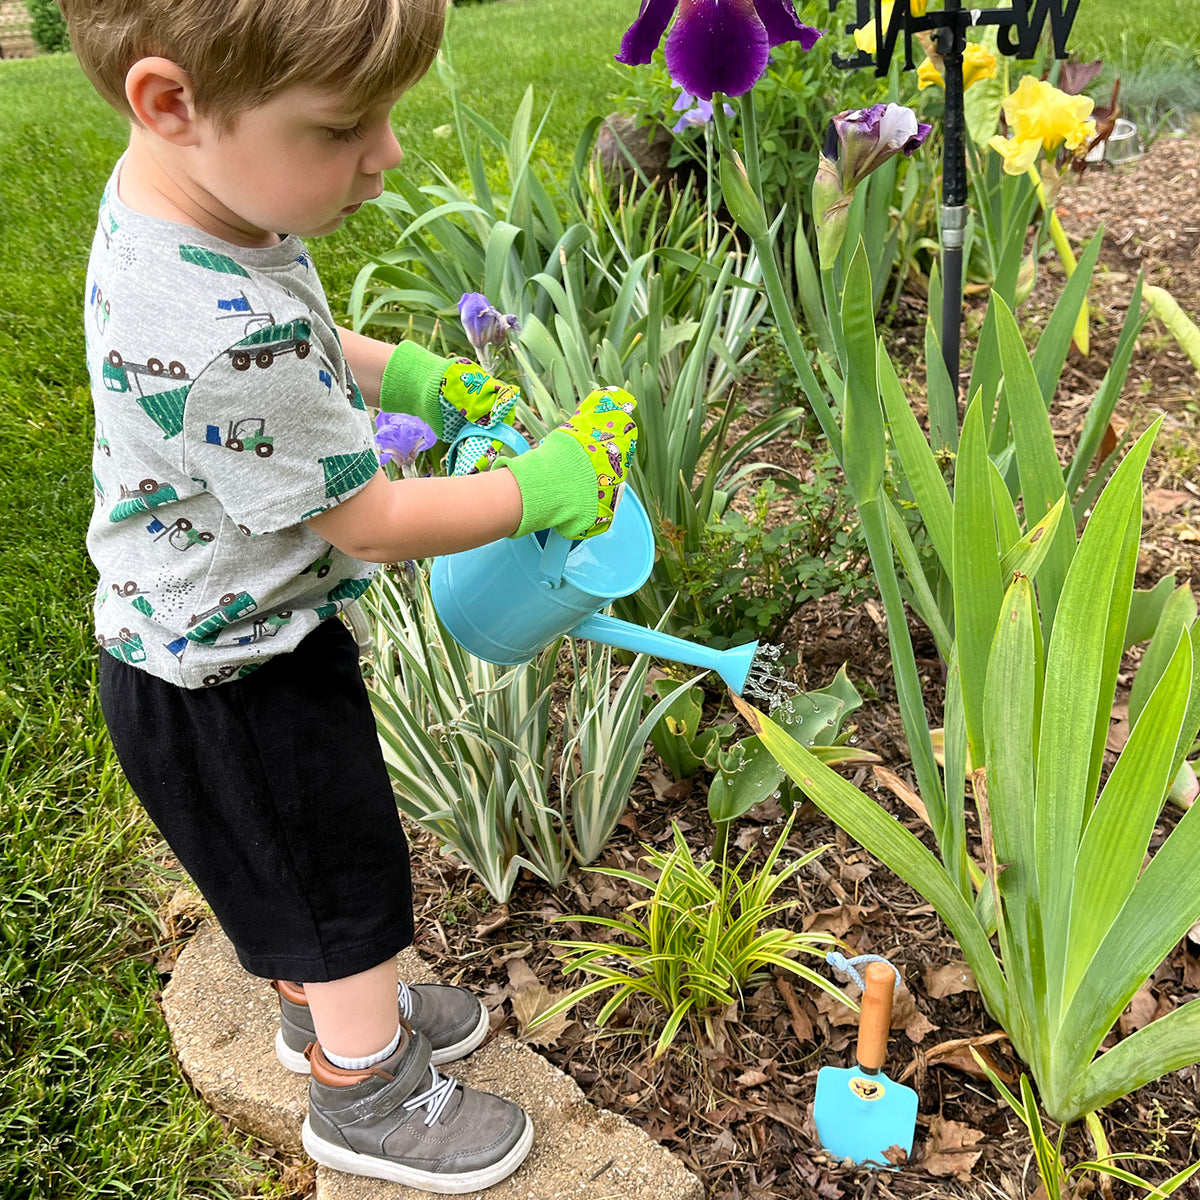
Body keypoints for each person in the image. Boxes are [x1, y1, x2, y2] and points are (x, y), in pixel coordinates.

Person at [61, 0, 638, 1191]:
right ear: (170, 102)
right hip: (243, 673)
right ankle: (363, 1091)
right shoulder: (223, 338)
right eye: (344, 126)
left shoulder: (191, 204)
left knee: (290, 875)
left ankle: (324, 1008)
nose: (384, 154)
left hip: (187, 648)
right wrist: (541, 488)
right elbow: (371, 517)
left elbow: (294, 329)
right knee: (342, 880)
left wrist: (404, 366)